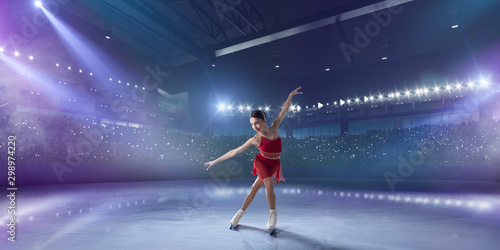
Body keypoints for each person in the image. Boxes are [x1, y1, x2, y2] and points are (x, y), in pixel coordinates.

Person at [204, 87, 303, 230]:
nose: (254, 126)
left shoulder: (274, 127)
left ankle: (239, 213)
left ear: (264, 120)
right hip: (261, 162)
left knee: (254, 189)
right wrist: (215, 160)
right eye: (251, 124)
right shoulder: (255, 139)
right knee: (269, 183)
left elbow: (284, 110)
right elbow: (234, 151)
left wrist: (290, 95)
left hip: (274, 163)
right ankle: (273, 215)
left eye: (257, 122)